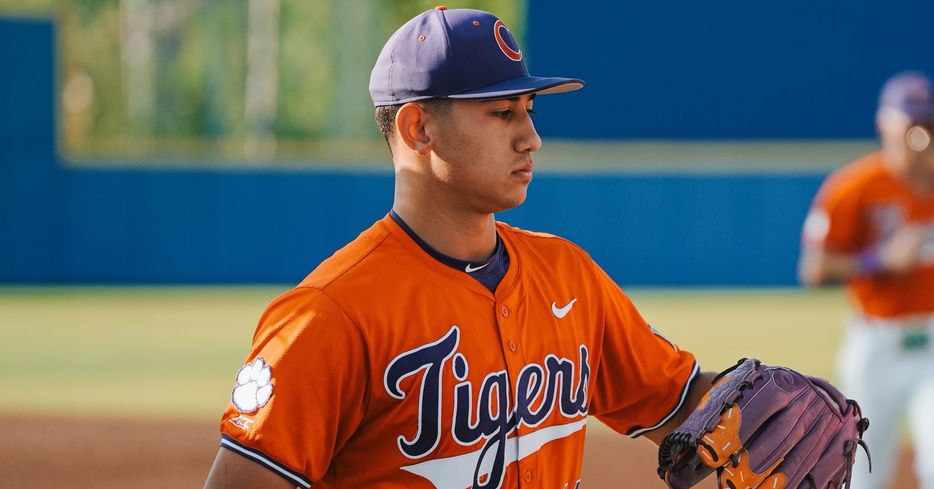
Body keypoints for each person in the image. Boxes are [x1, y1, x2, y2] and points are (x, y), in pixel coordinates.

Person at [202, 7, 862, 489]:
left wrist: (754, 407)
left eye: (529, 110)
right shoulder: (329, 314)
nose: (530, 137)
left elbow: (680, 400)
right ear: (418, 126)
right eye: (502, 113)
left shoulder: (566, 274)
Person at [799, 71, 934, 489]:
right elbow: (813, 269)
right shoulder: (854, 186)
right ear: (886, 125)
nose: (922, 135)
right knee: (864, 474)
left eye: (928, 124)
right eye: (913, 124)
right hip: (877, 345)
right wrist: (880, 258)